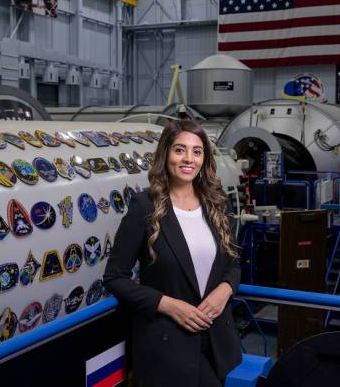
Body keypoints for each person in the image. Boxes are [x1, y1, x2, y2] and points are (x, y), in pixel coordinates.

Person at [103, 119, 242, 387]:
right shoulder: (145, 206)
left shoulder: (216, 203)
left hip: (215, 342)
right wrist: (167, 305)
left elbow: (233, 264)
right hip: (168, 345)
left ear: (205, 158)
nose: (188, 159)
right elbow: (114, 277)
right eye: (180, 150)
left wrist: (225, 289)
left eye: (197, 151)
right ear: (165, 154)